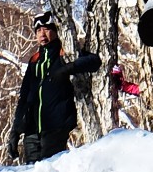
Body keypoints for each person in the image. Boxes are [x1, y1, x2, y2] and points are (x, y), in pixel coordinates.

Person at [6, 14, 101, 164]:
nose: (42, 34)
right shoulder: (35, 60)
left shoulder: (65, 53)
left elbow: (95, 61)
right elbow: (24, 98)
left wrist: (67, 69)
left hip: (56, 126)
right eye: (38, 31)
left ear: (56, 31)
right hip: (31, 130)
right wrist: (15, 131)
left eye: (46, 29)